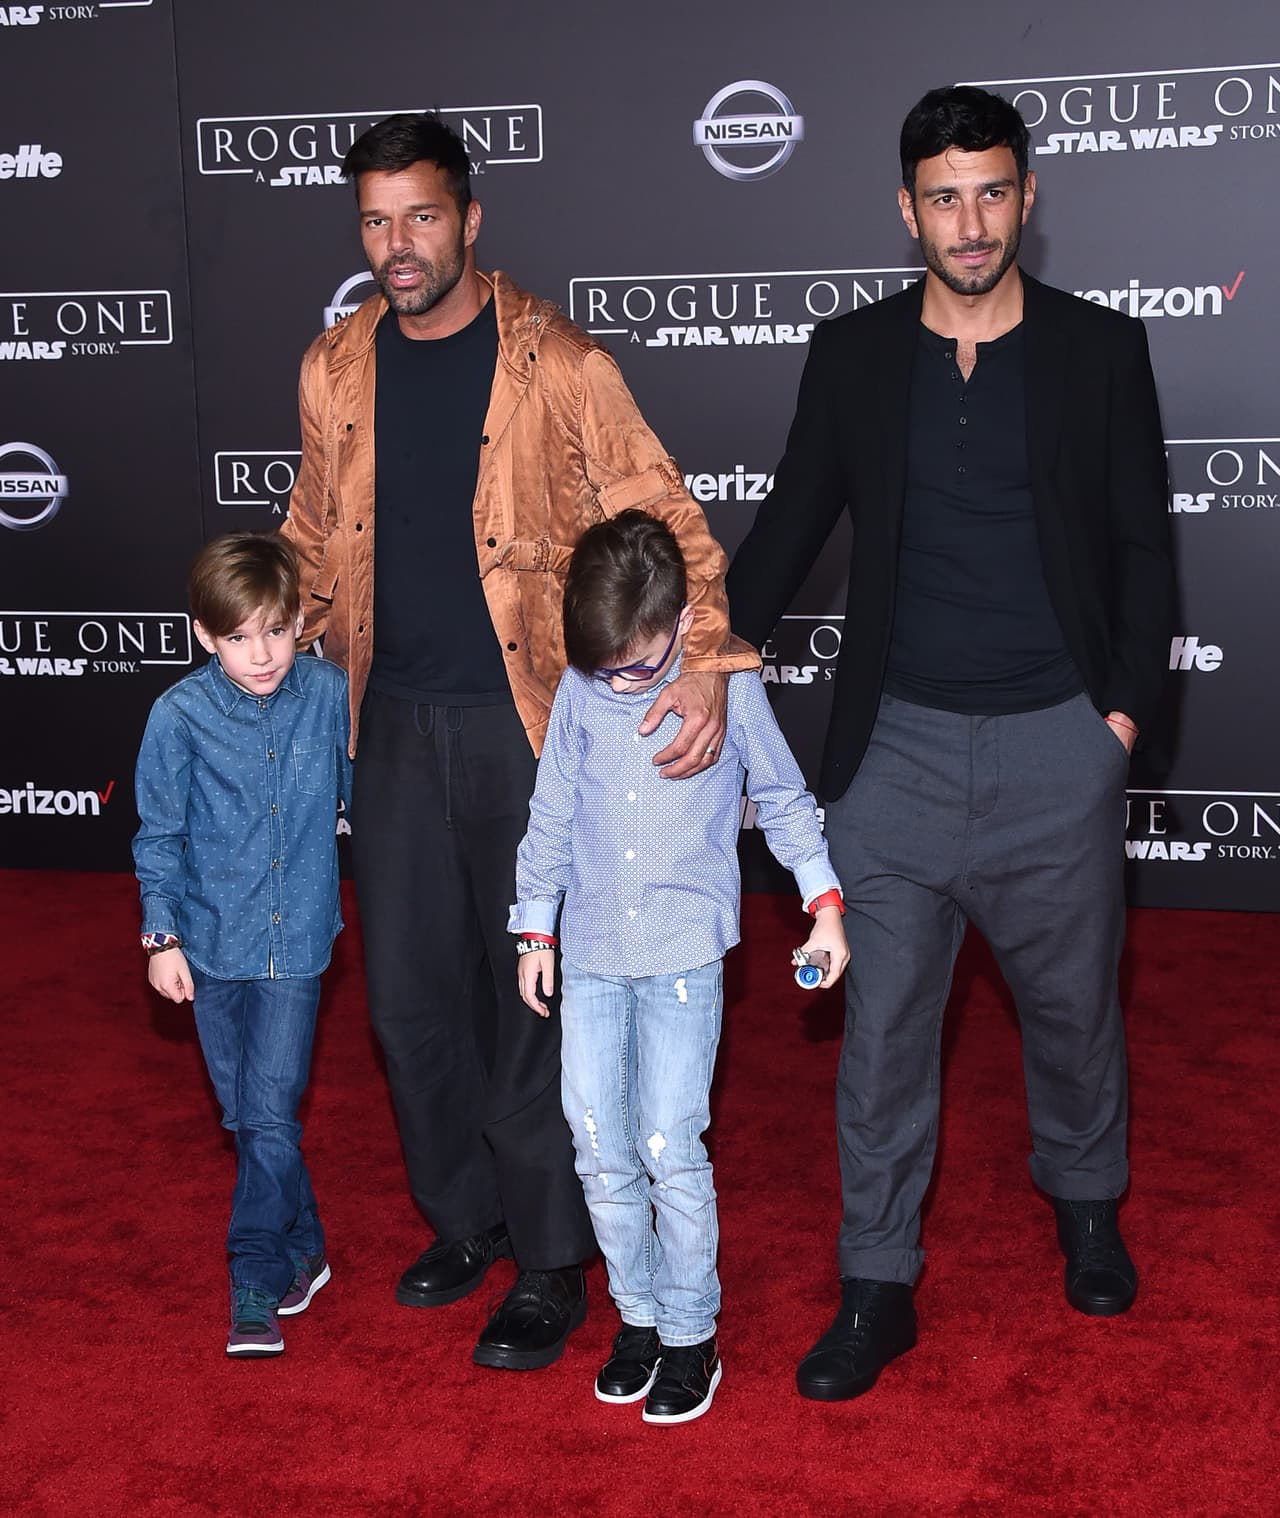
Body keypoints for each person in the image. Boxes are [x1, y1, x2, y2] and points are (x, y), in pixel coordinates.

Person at [280, 113, 758, 1371]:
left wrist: (703, 658)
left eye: (422, 216)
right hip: (385, 724)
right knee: (410, 1007)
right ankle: (465, 1219)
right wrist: (255, 635)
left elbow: (669, 519)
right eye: (376, 221)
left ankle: (551, 1260)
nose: (399, 244)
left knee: (529, 995)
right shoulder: (334, 368)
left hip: (532, 728)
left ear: (471, 220)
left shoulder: (558, 363)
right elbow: (312, 541)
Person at [726, 85, 1175, 1402]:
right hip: (897, 755)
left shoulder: (1101, 350)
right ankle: (876, 1280)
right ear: (904, 208)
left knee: (1075, 1011)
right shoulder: (854, 355)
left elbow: (1147, 551)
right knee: (879, 1034)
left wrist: (1121, 725)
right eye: (944, 195)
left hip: (1058, 742)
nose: (969, 221)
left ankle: (1087, 1202)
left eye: (992, 192)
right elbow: (789, 528)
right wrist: (702, 665)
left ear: (1028, 199)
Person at [509, 510, 849, 1422]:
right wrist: (535, 928)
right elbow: (549, 818)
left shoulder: (729, 687)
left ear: (681, 624)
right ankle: (641, 1316)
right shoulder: (582, 694)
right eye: (603, 664)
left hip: (683, 955)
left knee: (668, 1143)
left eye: (639, 662)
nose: (621, 681)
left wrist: (825, 907)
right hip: (588, 952)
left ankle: (693, 1331)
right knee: (596, 1142)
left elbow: (782, 799)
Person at [132, 533, 352, 1358]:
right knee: (250, 1116)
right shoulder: (178, 716)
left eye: (275, 631)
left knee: (265, 1112)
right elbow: (159, 835)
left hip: (298, 940)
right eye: (237, 637)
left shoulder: (329, 695)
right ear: (203, 635)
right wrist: (162, 938)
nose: (261, 655)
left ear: (299, 620)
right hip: (210, 943)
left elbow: (367, 796)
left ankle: (253, 1276)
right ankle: (307, 1243)